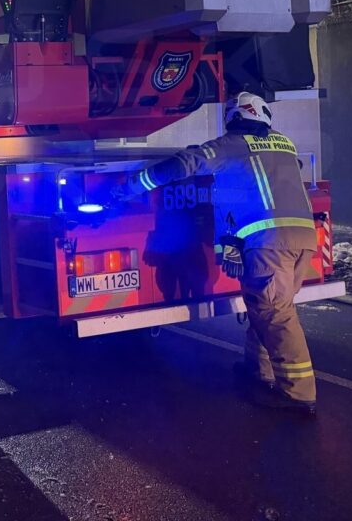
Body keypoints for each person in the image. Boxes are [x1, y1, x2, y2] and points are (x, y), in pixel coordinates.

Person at [114, 92, 318, 415]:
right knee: (266, 310)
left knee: (275, 316)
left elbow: (185, 163)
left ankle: (298, 393)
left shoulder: (230, 146)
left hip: (268, 243)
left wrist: (130, 185)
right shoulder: (285, 144)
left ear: (233, 120)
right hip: (302, 239)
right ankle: (258, 371)